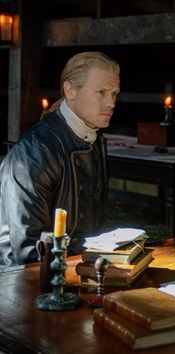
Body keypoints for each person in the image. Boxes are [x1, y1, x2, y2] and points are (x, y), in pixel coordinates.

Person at [0, 51, 120, 267]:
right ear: (70, 90)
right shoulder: (33, 152)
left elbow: (94, 226)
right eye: (101, 92)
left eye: (114, 93)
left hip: (79, 269)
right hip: (21, 280)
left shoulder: (93, 137)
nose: (111, 102)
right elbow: (27, 250)